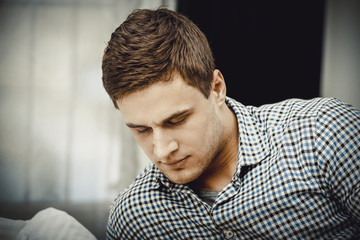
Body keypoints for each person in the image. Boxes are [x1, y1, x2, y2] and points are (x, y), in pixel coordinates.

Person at [102, 8, 360, 240]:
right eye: (142, 130)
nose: (161, 150)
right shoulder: (133, 218)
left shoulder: (323, 132)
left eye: (176, 120)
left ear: (216, 89)